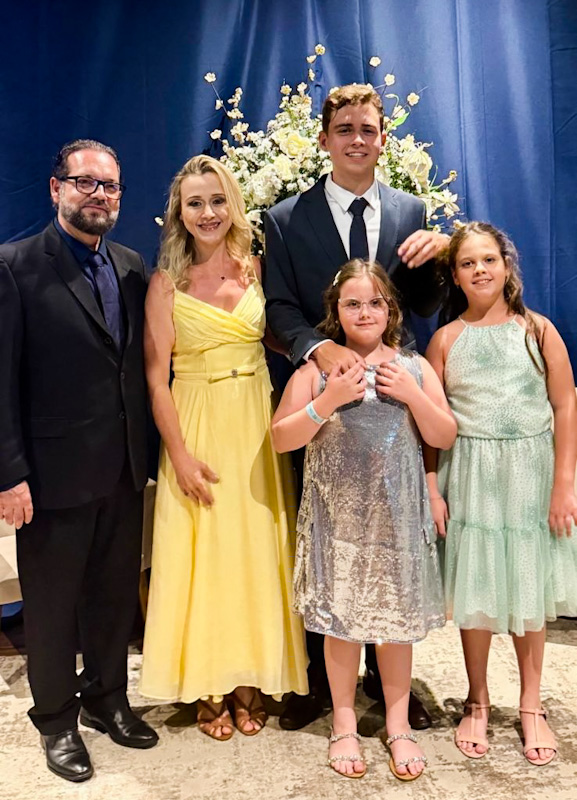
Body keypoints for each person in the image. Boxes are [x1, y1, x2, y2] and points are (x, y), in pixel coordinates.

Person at [264, 82, 450, 730]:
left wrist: (440, 258)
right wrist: (321, 354)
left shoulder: (410, 209)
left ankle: (387, 684)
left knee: (389, 541)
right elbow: (279, 306)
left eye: (367, 129)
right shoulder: (285, 218)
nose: (356, 139)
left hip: (392, 400)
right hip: (326, 395)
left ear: (382, 138)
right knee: (329, 538)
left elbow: (421, 305)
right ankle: (322, 684)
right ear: (323, 139)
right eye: (344, 129)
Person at [0, 140, 157, 782]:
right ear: (56, 188)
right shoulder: (14, 266)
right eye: (85, 183)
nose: (99, 195)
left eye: (110, 187)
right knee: (52, 605)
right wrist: (9, 473)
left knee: (113, 596)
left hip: (123, 466)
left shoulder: (130, 265)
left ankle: (107, 699)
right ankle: (56, 720)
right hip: (49, 475)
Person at [139, 155, 308, 739]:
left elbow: (280, 341)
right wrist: (180, 457)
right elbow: (156, 381)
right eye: (195, 203)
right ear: (179, 213)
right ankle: (208, 684)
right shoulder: (165, 285)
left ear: (233, 206)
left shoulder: (257, 271)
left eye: (217, 200)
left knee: (255, 550)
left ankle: (250, 678)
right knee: (205, 552)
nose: (207, 212)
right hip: (198, 425)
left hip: (254, 425)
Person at [272, 259, 455, 780]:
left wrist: (413, 395)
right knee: (342, 625)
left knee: (396, 627)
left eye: (375, 302)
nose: (365, 312)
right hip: (339, 527)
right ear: (336, 311)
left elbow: (444, 434)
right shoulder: (316, 372)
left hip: (397, 522)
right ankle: (345, 723)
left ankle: (398, 724)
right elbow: (281, 438)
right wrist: (327, 401)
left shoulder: (413, 368)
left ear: (391, 310)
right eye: (352, 303)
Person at [426, 221, 577, 766]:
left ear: (506, 265)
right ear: (455, 276)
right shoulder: (446, 340)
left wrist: (564, 483)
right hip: (471, 476)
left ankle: (532, 704)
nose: (480, 270)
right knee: (479, 590)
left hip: (530, 474)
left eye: (489, 259)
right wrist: (432, 487)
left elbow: (565, 403)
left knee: (528, 588)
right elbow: (432, 423)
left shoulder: (538, 330)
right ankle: (478, 699)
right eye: (467, 263)